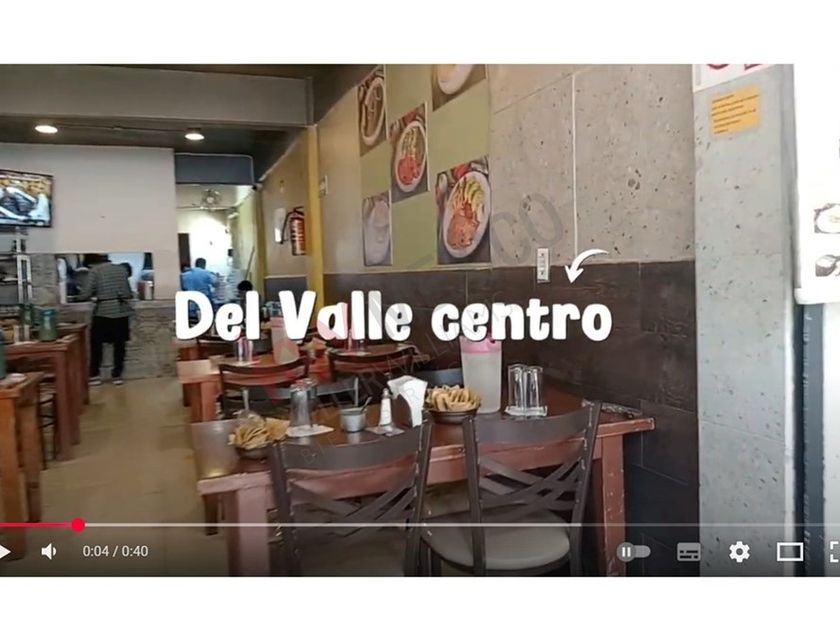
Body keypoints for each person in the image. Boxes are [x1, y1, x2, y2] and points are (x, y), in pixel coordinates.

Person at [78, 254, 134, 386]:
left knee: (96, 345)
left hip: (103, 311)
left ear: (90, 264)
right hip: (121, 312)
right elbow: (128, 293)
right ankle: (117, 375)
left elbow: (86, 293)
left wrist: (81, 297)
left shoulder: (95, 271)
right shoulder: (121, 270)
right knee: (119, 345)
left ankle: (95, 375)